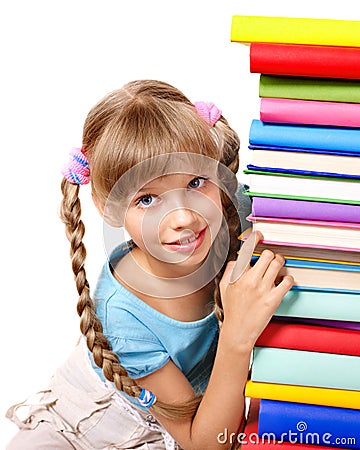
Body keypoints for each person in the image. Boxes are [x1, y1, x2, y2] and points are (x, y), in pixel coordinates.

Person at [6, 80, 293, 450]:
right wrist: (238, 336)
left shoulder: (229, 210)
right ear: (107, 207)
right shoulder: (122, 322)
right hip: (92, 428)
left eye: (195, 181)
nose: (184, 217)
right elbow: (203, 444)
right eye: (146, 199)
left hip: (184, 410)